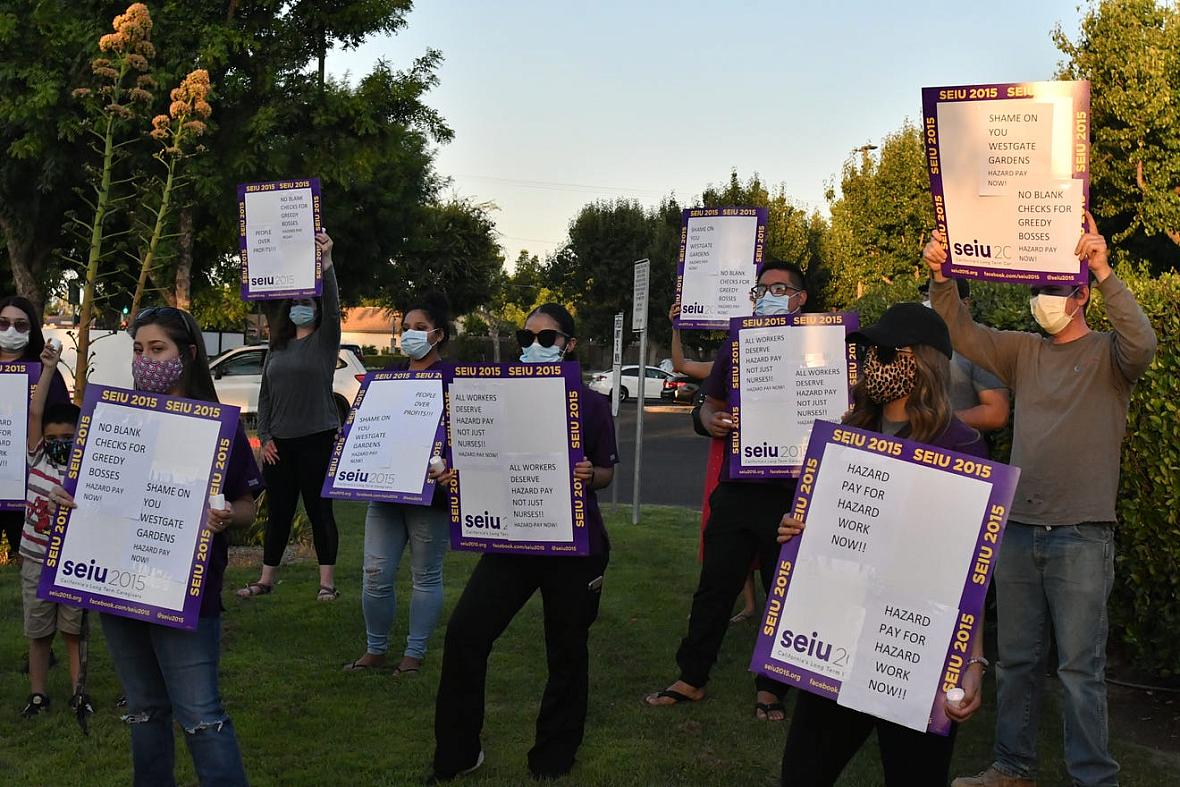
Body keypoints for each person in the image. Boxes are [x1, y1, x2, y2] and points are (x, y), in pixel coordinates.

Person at [923, 214, 1157, 787]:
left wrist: (1103, 270)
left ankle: (1092, 778)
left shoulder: (1110, 355)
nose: (1040, 300)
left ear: (1079, 295)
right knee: (1018, 661)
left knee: (1081, 670)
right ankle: (1013, 766)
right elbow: (961, 333)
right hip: (1020, 526)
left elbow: (1143, 343)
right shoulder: (1023, 351)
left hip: (1082, 531)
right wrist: (941, 276)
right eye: (1035, 289)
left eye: (1052, 289)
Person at [48, 306, 264, 786]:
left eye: (157, 349)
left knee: (202, 715)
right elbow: (93, 491)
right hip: (118, 588)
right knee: (145, 710)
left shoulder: (217, 427)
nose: (145, 360)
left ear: (187, 355)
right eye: (138, 350)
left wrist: (227, 515)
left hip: (185, 592)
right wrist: (69, 497)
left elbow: (247, 505)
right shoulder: (112, 420)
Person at [777, 302, 988, 786]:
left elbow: (973, 568)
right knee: (803, 774)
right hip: (836, 637)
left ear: (923, 361)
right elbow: (820, 533)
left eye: (886, 351)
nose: (873, 360)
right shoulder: (848, 433)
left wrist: (971, 660)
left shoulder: (962, 446)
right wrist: (794, 532)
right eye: (869, 351)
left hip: (912, 647)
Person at [429, 304, 618, 783]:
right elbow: (476, 456)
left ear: (569, 344)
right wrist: (457, 478)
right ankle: (457, 753)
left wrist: (588, 474)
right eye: (526, 337)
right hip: (512, 541)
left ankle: (554, 754)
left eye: (548, 338)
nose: (534, 346)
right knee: (466, 635)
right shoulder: (494, 396)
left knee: (567, 648)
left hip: (574, 546)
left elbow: (606, 474)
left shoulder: (591, 404)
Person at [644, 261, 809, 722]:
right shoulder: (736, 347)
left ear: (801, 299)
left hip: (794, 495)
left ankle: (772, 688)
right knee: (715, 587)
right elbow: (708, 406)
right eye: (763, 289)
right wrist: (706, 420)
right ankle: (691, 677)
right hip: (738, 489)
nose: (771, 294)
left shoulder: (826, 348)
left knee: (784, 591)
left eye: (781, 288)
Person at [344, 293, 455, 675]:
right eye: (406, 328)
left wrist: (449, 470)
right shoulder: (387, 377)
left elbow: (470, 434)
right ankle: (375, 649)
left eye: (419, 328)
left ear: (438, 334)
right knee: (375, 572)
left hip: (430, 497)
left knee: (425, 574)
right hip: (384, 491)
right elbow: (365, 427)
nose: (410, 334)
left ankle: (414, 654)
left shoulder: (453, 379)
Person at [238, 231, 342, 601]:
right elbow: (265, 396)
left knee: (319, 512)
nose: (302, 305)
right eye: (296, 300)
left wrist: (326, 263)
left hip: (317, 437)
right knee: (279, 512)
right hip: (279, 444)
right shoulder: (276, 347)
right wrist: (265, 438)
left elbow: (332, 307)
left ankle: (326, 583)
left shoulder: (325, 341)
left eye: (307, 300)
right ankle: (265, 580)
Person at [669, 302, 757, 623]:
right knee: (726, 527)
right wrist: (678, 326)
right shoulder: (727, 361)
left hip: (769, 459)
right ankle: (746, 603)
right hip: (727, 452)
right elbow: (681, 364)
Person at [18, 341, 84, 718]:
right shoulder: (38, 457)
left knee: (75, 632)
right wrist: (48, 369)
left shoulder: (86, 472)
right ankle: (38, 693)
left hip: (72, 560)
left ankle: (79, 691)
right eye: (54, 438)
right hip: (35, 559)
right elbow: (35, 411)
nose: (61, 445)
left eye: (69, 438)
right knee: (39, 632)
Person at [0, 295, 70, 561]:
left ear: (32, 331)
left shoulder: (46, 374)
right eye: (3, 323)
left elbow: (61, 426)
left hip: (30, 486)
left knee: (31, 564)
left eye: (20, 325)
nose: (10, 331)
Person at [918, 279, 1010, 433]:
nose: (932, 302)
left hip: (956, 450)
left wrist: (938, 420)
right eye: (927, 295)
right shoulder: (915, 339)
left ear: (966, 303)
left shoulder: (980, 345)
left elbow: (997, 413)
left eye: (943, 296)